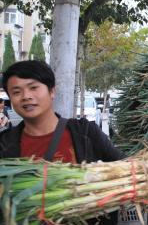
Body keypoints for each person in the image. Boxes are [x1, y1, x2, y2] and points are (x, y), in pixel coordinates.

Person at [0, 60, 125, 224]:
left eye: (33, 87)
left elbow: (124, 165)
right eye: (16, 92)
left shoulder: (85, 132)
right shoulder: (4, 144)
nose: (26, 96)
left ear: (52, 91)